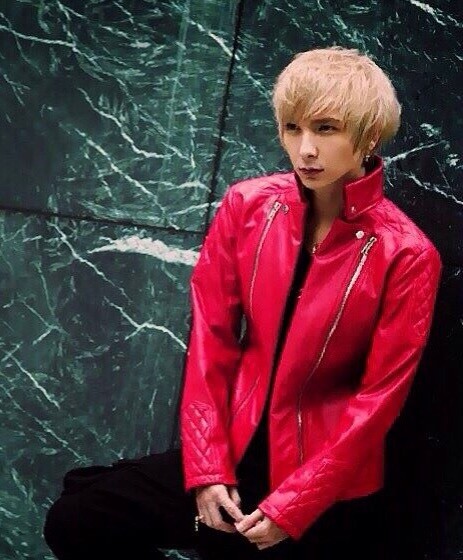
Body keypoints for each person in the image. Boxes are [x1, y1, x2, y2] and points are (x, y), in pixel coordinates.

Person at [43, 46, 442, 560]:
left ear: (367, 137)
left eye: (326, 129)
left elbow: (378, 400)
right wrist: (207, 469)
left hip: (322, 482)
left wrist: (294, 506)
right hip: (231, 448)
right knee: (78, 519)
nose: (305, 149)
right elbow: (210, 340)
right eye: (292, 128)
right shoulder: (247, 206)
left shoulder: (407, 254)